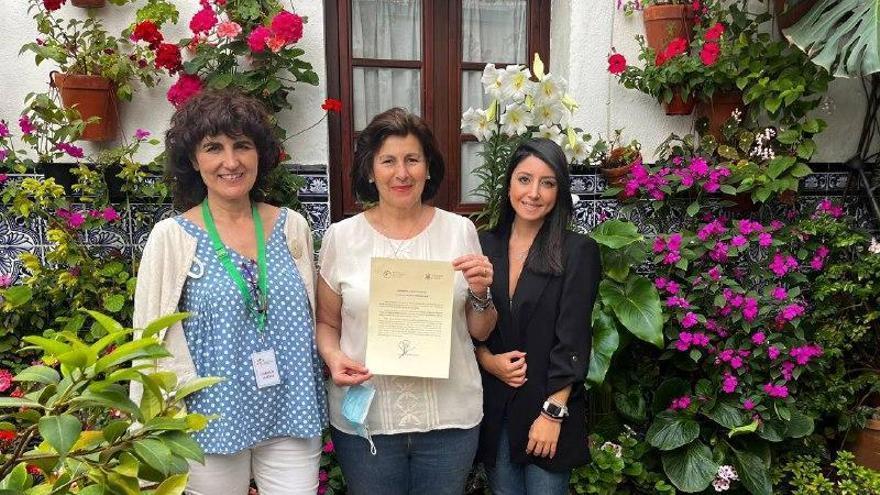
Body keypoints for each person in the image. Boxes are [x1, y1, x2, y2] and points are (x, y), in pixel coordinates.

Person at [132, 89, 327, 495]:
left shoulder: (293, 228)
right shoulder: (172, 238)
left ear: (260, 154)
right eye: (213, 148)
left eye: (243, 146)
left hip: (291, 408)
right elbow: (147, 338)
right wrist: (151, 424)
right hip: (210, 418)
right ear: (193, 160)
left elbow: (315, 316)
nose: (231, 161)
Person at [315, 107, 497, 495]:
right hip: (369, 418)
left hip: (450, 419)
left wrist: (481, 293)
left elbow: (479, 329)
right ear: (370, 170)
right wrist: (333, 358)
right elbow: (327, 323)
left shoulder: (460, 231)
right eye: (388, 161)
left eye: (413, 159)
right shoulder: (341, 238)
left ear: (428, 168)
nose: (402, 173)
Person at [475, 138, 601, 494]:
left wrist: (553, 413)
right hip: (499, 407)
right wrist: (488, 361)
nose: (534, 193)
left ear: (559, 191)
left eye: (547, 183)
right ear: (509, 183)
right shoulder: (484, 245)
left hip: (548, 407)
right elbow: (463, 324)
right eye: (524, 179)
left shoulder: (577, 251)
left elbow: (574, 338)